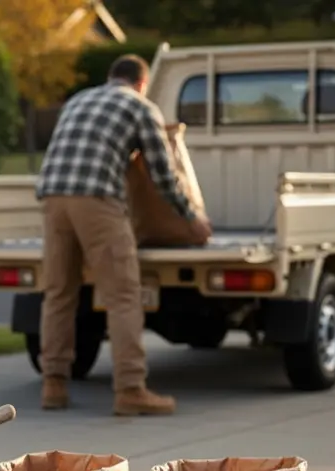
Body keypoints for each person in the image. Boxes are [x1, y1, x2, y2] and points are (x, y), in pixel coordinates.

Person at [35, 53, 211, 415]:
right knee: (123, 295)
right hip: (97, 200)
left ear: (110, 77)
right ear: (142, 83)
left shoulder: (78, 100)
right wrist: (191, 219)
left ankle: (53, 386)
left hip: (53, 199)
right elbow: (163, 175)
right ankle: (131, 389)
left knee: (59, 294)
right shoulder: (141, 107)